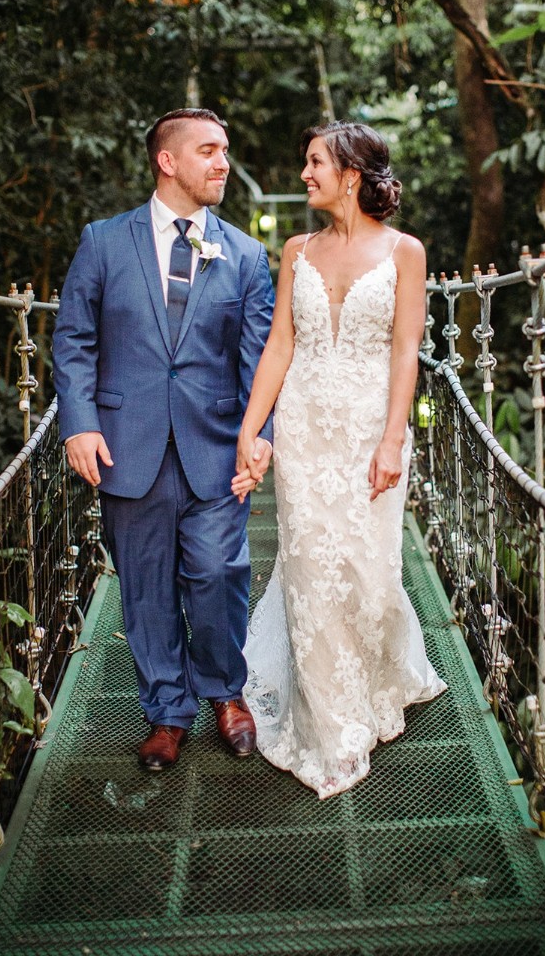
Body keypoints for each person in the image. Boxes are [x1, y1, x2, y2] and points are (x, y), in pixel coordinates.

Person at [52, 107, 275, 770]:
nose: (223, 163)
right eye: (209, 150)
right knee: (145, 587)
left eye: (226, 151)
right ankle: (166, 712)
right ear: (167, 160)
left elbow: (260, 357)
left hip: (215, 448)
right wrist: (80, 422)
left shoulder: (245, 254)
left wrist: (258, 436)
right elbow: (73, 338)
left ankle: (224, 692)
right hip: (127, 444)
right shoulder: (102, 242)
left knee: (218, 573)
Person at [232, 121, 447, 799]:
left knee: (368, 571)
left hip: (367, 428)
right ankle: (329, 727)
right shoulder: (296, 249)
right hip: (301, 429)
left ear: (351, 175)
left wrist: (393, 439)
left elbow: (405, 350)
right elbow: (278, 348)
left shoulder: (404, 252)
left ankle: (377, 680)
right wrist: (252, 428)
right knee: (310, 570)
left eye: (314, 163)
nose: (304, 174)